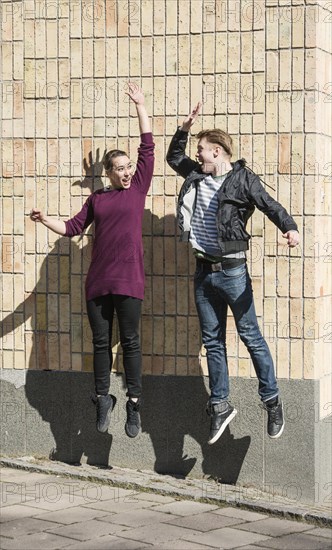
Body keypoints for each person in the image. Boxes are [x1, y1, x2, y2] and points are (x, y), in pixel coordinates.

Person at [166, 102, 300, 444]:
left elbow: (271, 205)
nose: (197, 156)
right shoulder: (196, 174)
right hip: (202, 271)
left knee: (250, 335)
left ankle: (272, 400)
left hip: (232, 271)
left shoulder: (242, 179)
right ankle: (221, 404)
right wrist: (184, 128)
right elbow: (173, 158)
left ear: (218, 151)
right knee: (213, 341)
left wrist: (290, 228)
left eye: (202, 151)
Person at [30, 83, 154, 438]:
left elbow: (148, 146)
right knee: (101, 344)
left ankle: (133, 404)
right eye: (120, 167)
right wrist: (44, 219)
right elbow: (71, 228)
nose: (128, 171)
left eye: (129, 166)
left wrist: (140, 105)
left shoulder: (138, 189)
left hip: (130, 282)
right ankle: (102, 398)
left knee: (130, 342)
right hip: (98, 284)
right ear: (109, 172)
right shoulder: (98, 199)